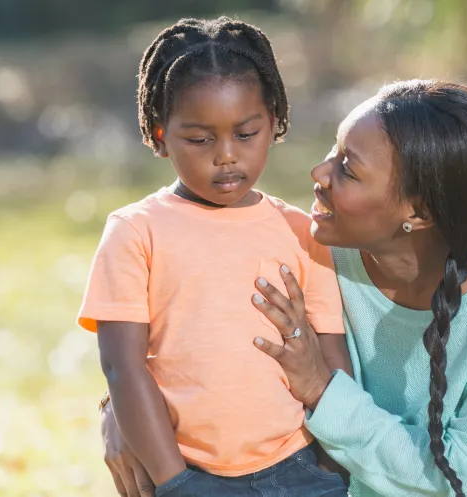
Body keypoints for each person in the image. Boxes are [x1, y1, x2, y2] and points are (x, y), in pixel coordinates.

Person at [102, 79, 467, 497]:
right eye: (334, 150)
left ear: (417, 212)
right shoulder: (313, 245)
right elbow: (199, 332)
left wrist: (323, 390)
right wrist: (121, 410)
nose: (318, 172)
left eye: (348, 169)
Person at [79, 16, 352, 497]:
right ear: (160, 135)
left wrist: (333, 472)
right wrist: (175, 483)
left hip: (301, 469)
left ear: (274, 123)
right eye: (200, 140)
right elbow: (122, 367)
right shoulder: (135, 232)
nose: (226, 155)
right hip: (187, 472)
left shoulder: (301, 232)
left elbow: (333, 358)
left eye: (246, 134)